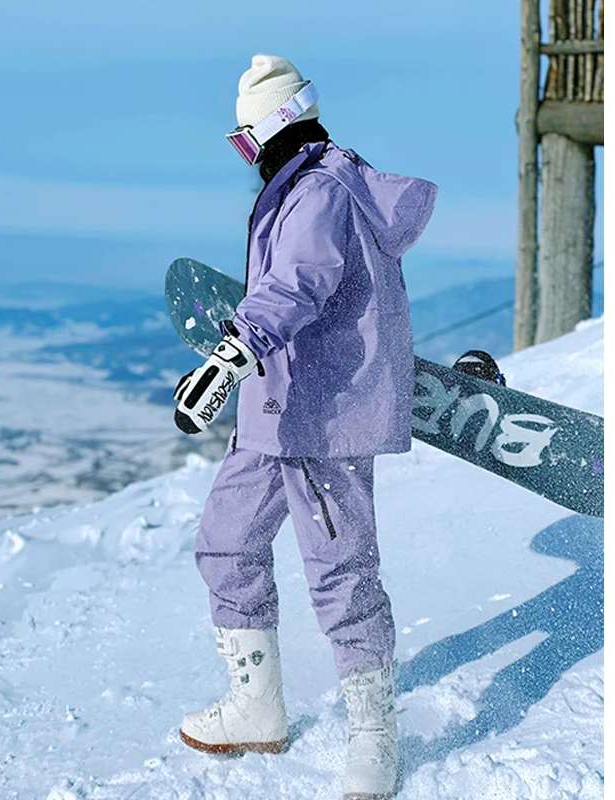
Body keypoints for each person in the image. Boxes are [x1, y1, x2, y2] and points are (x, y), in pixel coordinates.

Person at [174, 54, 437, 799]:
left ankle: (374, 735)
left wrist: (229, 355)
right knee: (226, 544)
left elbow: (299, 285)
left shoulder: (320, 191)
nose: (246, 156)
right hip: (274, 409)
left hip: (325, 417)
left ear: (277, 124)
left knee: (342, 574)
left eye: (245, 139)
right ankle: (257, 707)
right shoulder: (299, 187)